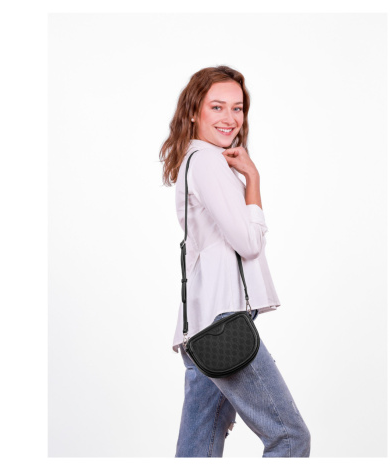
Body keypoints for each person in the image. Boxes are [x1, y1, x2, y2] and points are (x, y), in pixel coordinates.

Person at [159, 65, 311, 458]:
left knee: (198, 449)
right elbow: (249, 243)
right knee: (290, 438)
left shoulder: (193, 160)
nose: (230, 118)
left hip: (201, 328)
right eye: (217, 107)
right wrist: (253, 179)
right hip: (223, 326)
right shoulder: (209, 161)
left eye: (237, 108)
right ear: (194, 112)